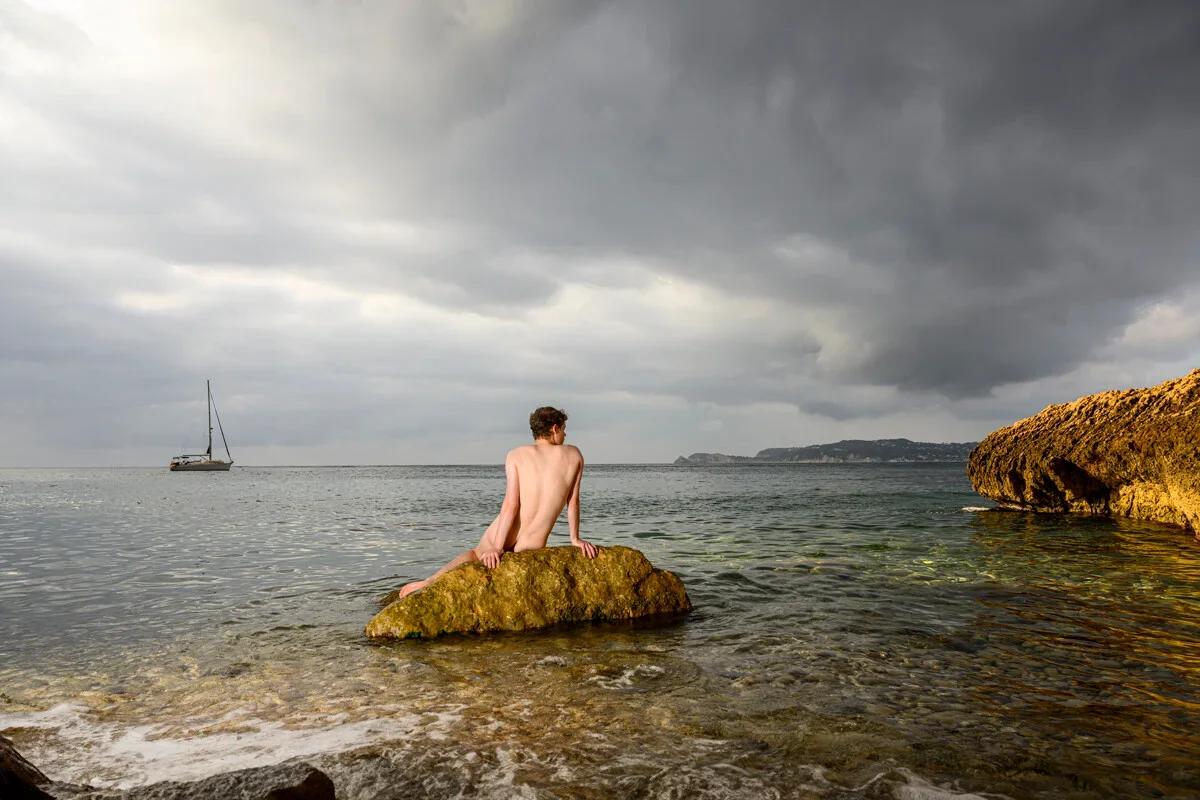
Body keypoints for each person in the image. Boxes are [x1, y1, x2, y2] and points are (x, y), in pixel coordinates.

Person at [396, 406, 597, 599]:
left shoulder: (516, 455)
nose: (565, 435)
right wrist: (575, 539)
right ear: (554, 428)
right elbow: (573, 502)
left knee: (475, 554)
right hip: (533, 544)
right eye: (563, 429)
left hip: (505, 531)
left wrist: (498, 548)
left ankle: (430, 581)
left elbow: (511, 504)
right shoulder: (574, 455)